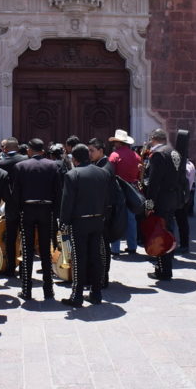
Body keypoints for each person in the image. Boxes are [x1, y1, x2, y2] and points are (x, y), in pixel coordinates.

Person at [60, 144, 115, 307]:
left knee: (79, 258)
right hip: (98, 220)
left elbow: (67, 201)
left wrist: (64, 222)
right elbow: (108, 199)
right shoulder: (103, 173)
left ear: (74, 159)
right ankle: (96, 293)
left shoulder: (72, 175)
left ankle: (77, 295)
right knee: (96, 257)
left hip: (80, 221)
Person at [13, 138, 60, 300]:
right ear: (43, 150)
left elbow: (16, 193)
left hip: (27, 209)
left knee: (27, 250)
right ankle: (48, 289)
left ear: (29, 150)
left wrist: (19, 211)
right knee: (46, 250)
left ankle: (27, 289)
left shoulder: (21, 166)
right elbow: (57, 191)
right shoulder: (53, 165)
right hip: (47, 210)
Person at [143, 129, 185, 280]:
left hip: (161, 200)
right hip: (173, 198)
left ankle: (163, 269)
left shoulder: (158, 154)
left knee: (160, 234)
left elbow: (154, 183)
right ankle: (165, 266)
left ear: (153, 138)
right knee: (168, 230)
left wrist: (149, 205)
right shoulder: (174, 152)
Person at [0, 137, 28, 277]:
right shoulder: (28, 160)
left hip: (11, 205)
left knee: (10, 237)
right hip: (27, 205)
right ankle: (24, 266)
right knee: (26, 237)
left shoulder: (1, 163)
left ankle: (10, 267)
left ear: (5, 148)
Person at [108, 129, 141, 256]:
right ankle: (132, 246)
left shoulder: (114, 155)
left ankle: (115, 248)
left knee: (117, 218)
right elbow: (139, 174)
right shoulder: (136, 156)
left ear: (118, 142)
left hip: (118, 189)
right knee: (131, 218)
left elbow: (110, 173)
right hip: (132, 188)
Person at [88, 137, 115, 286]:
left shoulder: (104, 167)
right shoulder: (100, 164)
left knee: (103, 246)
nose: (89, 154)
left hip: (104, 212)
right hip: (101, 211)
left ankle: (103, 278)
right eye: (88, 151)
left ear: (101, 151)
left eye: (92, 151)